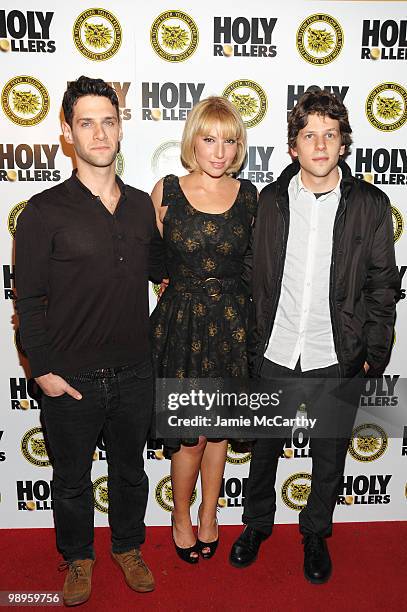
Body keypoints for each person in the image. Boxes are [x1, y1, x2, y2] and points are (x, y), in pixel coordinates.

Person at [230, 90, 400, 582]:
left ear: (343, 143)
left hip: (336, 353)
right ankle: (257, 525)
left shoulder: (371, 204)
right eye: (309, 136)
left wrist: (374, 351)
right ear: (293, 146)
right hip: (277, 348)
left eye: (330, 135)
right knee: (262, 449)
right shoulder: (270, 200)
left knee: (329, 453)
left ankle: (315, 533)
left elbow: (383, 284)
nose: (320, 145)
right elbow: (251, 273)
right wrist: (250, 342)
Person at [15, 76, 165, 606]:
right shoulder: (42, 212)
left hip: (134, 373)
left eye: (109, 120)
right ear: (66, 132)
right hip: (70, 377)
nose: (99, 133)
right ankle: (78, 558)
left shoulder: (144, 206)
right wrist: (43, 371)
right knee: (72, 479)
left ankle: (127, 547)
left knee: (131, 472)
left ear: (121, 128)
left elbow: (163, 272)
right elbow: (28, 302)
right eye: (86, 122)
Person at [150, 97, 257, 563]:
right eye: (210, 138)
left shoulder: (251, 196)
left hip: (233, 324)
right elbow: (150, 259)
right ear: (194, 138)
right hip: (182, 324)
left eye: (230, 140)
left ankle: (210, 516)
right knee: (190, 435)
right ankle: (180, 517)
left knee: (219, 433)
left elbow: (260, 264)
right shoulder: (166, 190)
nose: (219, 151)